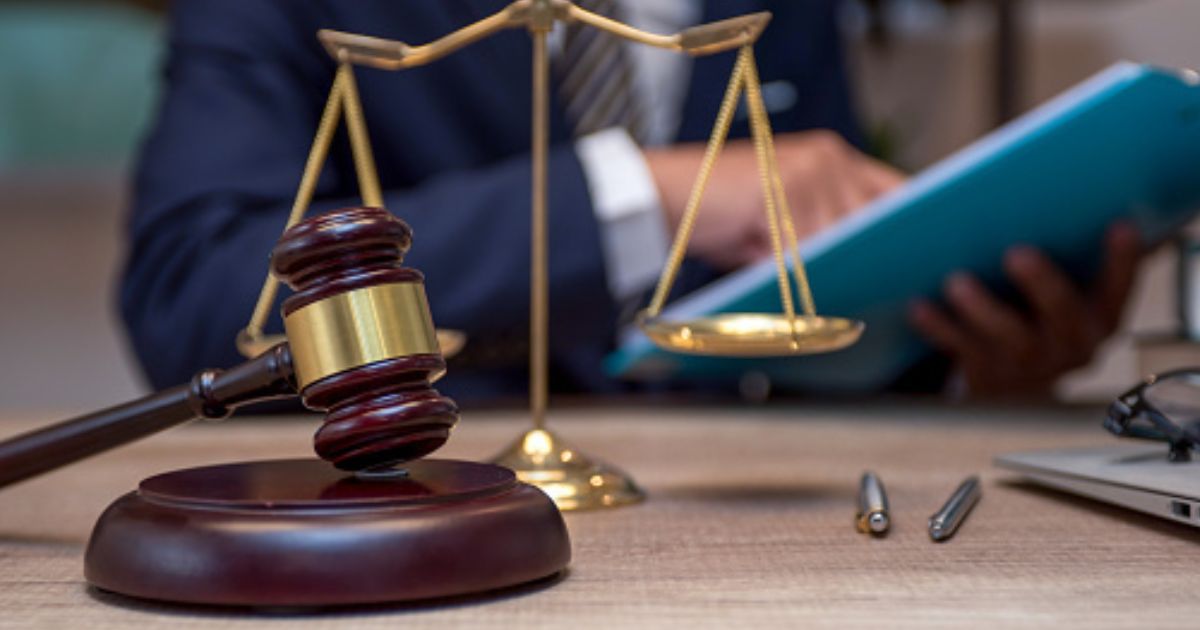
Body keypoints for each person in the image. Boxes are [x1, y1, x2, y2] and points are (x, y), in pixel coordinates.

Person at [121, 0, 1140, 402]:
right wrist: (642, 193)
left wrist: (970, 358)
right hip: (430, 536)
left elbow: (810, 304)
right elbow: (195, 299)